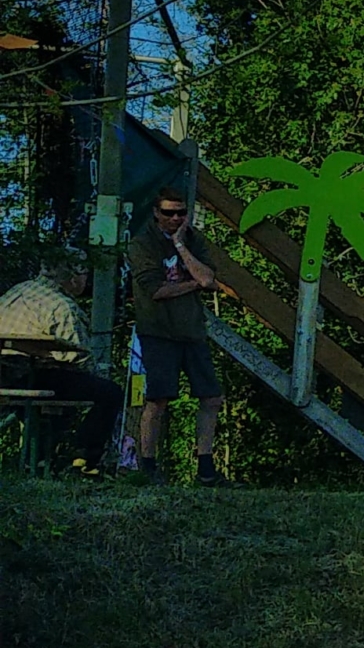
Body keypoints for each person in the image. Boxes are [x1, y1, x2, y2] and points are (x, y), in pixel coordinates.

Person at [128, 190, 225, 485]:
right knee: (158, 400)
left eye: (181, 213)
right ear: (156, 213)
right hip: (158, 331)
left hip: (192, 331)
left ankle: (205, 468)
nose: (175, 218)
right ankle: (147, 465)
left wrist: (181, 245)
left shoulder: (193, 240)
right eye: (169, 213)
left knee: (212, 397)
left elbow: (207, 277)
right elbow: (155, 290)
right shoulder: (142, 244)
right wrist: (194, 285)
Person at [0, 263, 123, 475]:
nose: (87, 281)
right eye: (85, 274)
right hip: (30, 374)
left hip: (5, 373)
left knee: (56, 391)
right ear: (73, 278)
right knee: (109, 392)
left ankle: (38, 459)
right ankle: (84, 459)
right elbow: (77, 357)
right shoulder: (61, 306)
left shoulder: (15, 292)